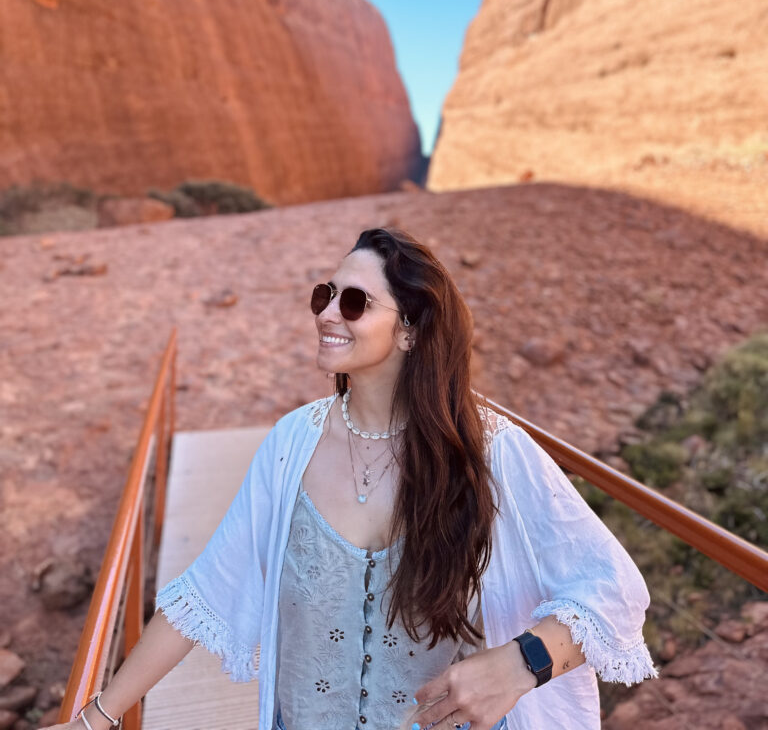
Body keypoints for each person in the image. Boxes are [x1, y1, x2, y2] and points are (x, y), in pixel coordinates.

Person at [45, 227, 657, 730]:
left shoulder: (489, 451)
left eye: (355, 302)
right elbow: (205, 592)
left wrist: (521, 664)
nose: (328, 314)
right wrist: (95, 719)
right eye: (325, 295)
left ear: (411, 330)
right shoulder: (291, 444)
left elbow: (616, 588)